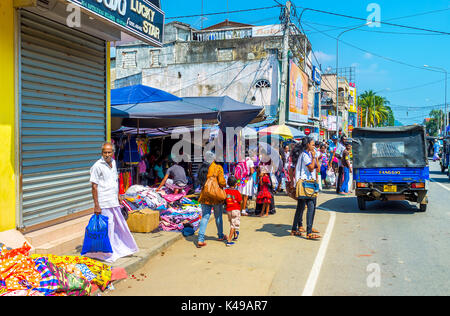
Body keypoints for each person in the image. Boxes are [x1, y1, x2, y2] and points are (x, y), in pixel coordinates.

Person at [86, 142, 139, 263]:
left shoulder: (114, 163)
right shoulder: (97, 166)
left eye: (109, 152)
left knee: (118, 225)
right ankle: (106, 253)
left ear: (113, 153)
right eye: (105, 152)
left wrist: (118, 195)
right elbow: (94, 187)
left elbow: (115, 180)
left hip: (113, 201)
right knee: (108, 227)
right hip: (104, 202)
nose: (107, 154)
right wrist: (96, 206)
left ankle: (121, 248)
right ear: (101, 153)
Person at [289, 137, 321, 240]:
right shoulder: (305, 155)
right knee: (311, 205)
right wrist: (312, 157)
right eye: (312, 144)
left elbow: (318, 168)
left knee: (301, 207)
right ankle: (309, 231)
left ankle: (294, 229)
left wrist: (315, 157)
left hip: (307, 183)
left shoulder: (309, 155)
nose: (314, 146)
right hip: (305, 183)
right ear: (307, 145)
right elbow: (311, 168)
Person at [196, 151, 227, 248]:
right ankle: (220, 235)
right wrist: (224, 185)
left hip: (205, 196)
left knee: (205, 217)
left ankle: (200, 239)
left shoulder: (202, 168)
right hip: (215, 196)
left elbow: (200, 182)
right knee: (218, 216)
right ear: (213, 158)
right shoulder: (218, 168)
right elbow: (222, 182)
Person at [224, 176, 242, 247]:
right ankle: (229, 241)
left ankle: (235, 235)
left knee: (232, 223)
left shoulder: (225, 191)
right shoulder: (237, 192)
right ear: (235, 184)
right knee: (233, 225)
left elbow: (224, 199)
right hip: (235, 209)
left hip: (229, 210)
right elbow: (240, 201)